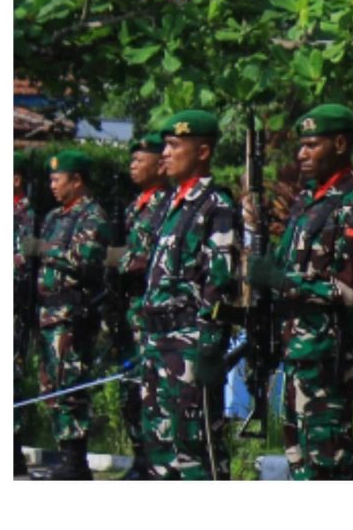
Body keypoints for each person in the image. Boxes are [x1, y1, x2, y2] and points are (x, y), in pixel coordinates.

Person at [249, 103, 353, 479]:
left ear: (340, 143)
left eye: (312, 145)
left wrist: (280, 280)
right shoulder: (308, 202)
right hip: (298, 348)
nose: (302, 154)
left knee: (328, 461)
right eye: (301, 146)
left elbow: (346, 289)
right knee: (300, 460)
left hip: (328, 351)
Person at [135, 108, 240, 479]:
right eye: (164, 145)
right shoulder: (170, 204)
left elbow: (220, 282)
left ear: (202, 151)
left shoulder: (216, 205)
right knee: (160, 444)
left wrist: (209, 348)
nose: (165, 153)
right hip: (158, 341)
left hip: (190, 343)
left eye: (174, 145)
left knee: (195, 447)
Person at [28, 146, 113, 478]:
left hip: (71, 314)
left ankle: (75, 460)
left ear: (77, 181)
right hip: (47, 314)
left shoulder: (92, 215)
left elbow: (86, 260)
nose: (52, 185)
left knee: (70, 386)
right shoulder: (53, 217)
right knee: (51, 387)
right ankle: (64, 452)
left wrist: (45, 250)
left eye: (57, 179)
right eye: (50, 179)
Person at [114, 130, 170, 478]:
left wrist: (119, 262)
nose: (133, 165)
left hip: (153, 311)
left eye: (140, 159)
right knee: (131, 388)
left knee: (152, 390)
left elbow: (146, 259)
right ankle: (140, 457)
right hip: (130, 307)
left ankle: (154, 461)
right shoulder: (135, 207)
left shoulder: (166, 205)